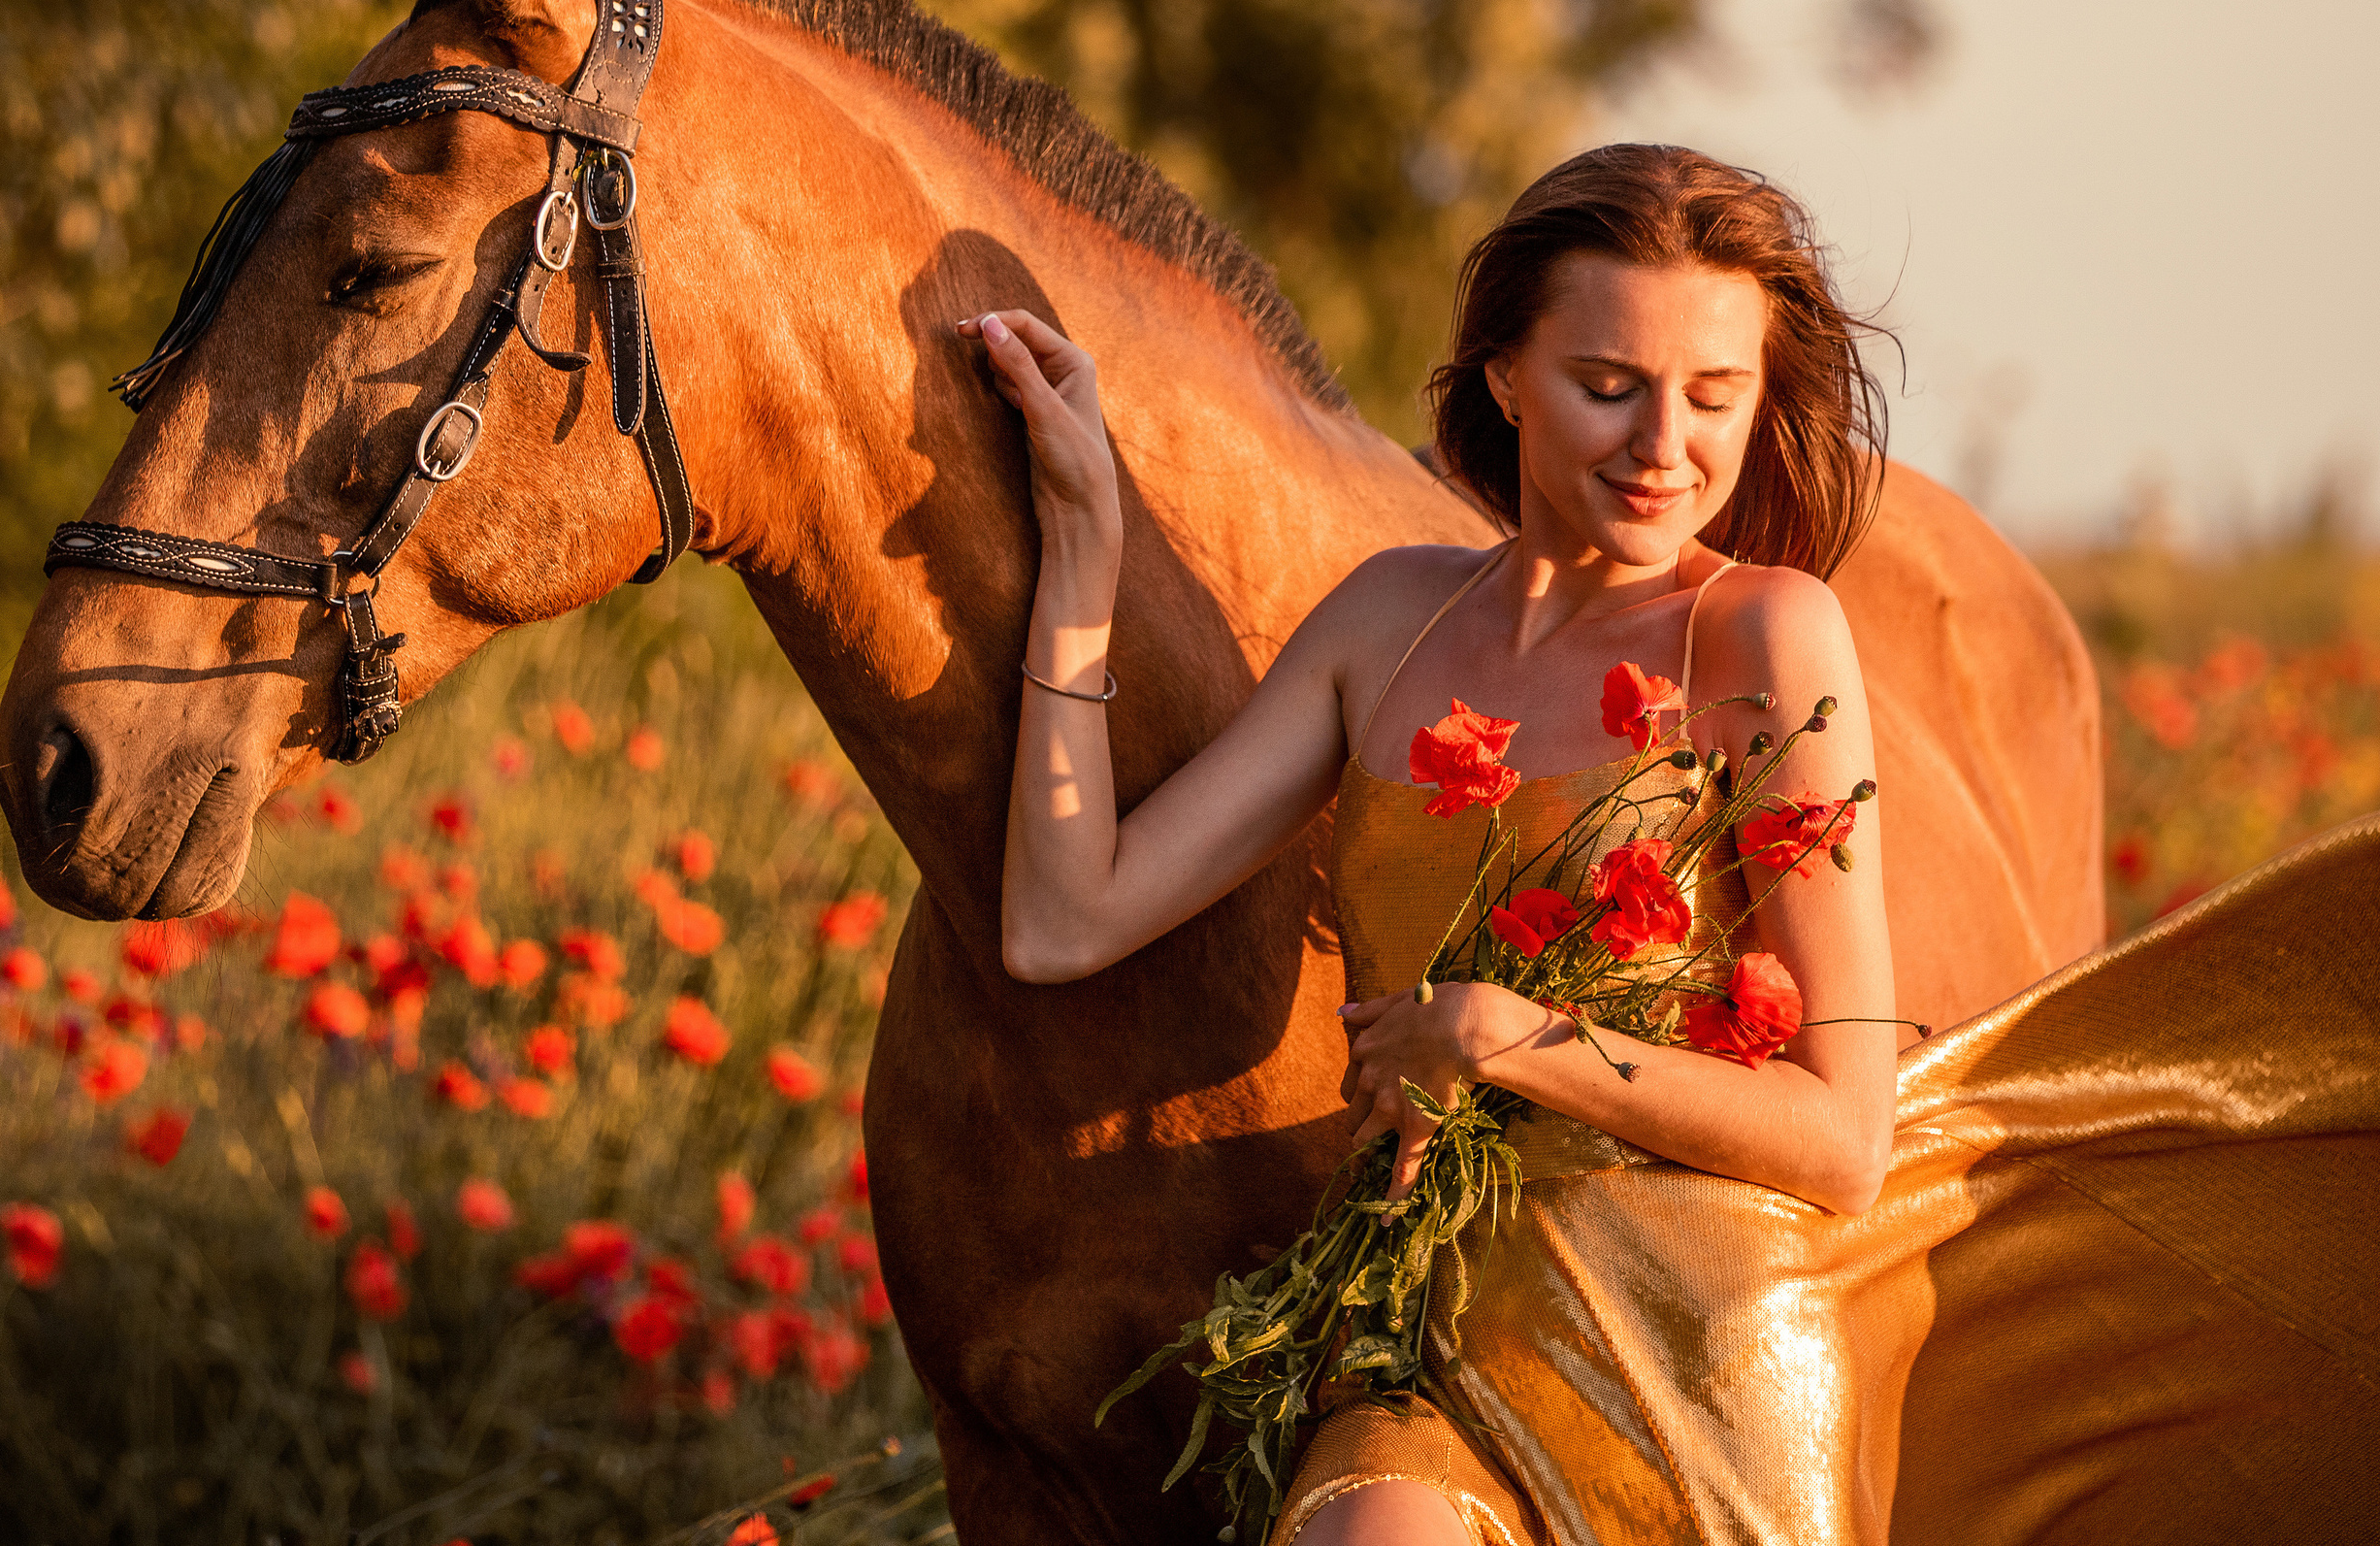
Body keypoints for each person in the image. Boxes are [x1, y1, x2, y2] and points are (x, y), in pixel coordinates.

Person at [960, 145, 2380, 1545]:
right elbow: (1064, 920)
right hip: (1430, 1336)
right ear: (1505, 377)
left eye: (1714, 396)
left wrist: (1509, 1039)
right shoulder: (1386, 621)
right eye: (1608, 386)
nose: (1663, 448)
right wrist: (1084, 549)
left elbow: (1843, 1137)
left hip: (1699, 1354)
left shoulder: (1761, 635)